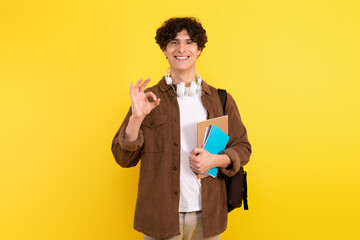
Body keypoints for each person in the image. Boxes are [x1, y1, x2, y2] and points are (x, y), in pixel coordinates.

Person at [111, 17, 251, 240]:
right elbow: (123, 158)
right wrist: (136, 118)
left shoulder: (220, 99)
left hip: (208, 217)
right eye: (174, 42)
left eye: (189, 42)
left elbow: (243, 147)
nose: (182, 49)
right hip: (160, 217)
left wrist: (215, 160)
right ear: (165, 50)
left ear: (199, 50)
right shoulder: (146, 99)